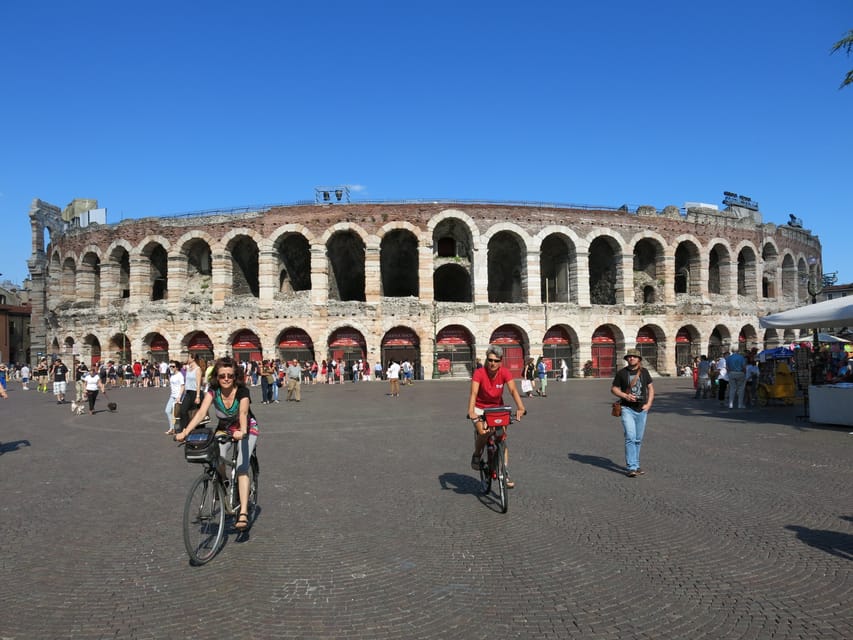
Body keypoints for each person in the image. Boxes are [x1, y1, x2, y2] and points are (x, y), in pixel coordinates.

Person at [176, 356, 259, 531]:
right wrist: (185, 431)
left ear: (235, 376)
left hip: (246, 429)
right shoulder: (213, 391)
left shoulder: (242, 392)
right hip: (224, 428)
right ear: (217, 377)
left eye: (230, 375)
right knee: (216, 458)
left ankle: (243, 512)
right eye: (222, 376)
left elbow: (243, 413)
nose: (226, 379)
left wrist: (242, 432)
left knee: (242, 466)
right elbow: (201, 413)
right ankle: (225, 481)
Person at [467, 345, 525, 489]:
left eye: (496, 361)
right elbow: (473, 393)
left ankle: (504, 472)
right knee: (483, 432)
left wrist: (521, 407)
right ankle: (476, 454)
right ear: (487, 360)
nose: (492, 363)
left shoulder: (504, 372)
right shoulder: (479, 373)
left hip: (497, 408)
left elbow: (512, 389)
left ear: (501, 362)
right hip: (480, 407)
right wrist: (471, 410)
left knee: (502, 437)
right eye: (490, 360)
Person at [611, 348, 655, 478]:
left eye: (634, 357)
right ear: (627, 359)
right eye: (629, 357)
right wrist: (625, 395)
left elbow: (651, 388)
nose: (631, 358)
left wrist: (649, 404)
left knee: (638, 439)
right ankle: (631, 467)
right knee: (630, 437)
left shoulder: (644, 372)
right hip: (627, 409)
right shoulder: (621, 373)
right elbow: (613, 388)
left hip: (641, 409)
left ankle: (636, 465)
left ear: (639, 359)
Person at [179, 354, 203, 435]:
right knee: (182, 411)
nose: (187, 358)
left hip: (195, 393)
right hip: (188, 392)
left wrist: (198, 396)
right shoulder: (188, 368)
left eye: (188, 357)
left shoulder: (198, 369)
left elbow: (198, 384)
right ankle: (185, 430)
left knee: (197, 413)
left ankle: (199, 431)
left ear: (193, 359)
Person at [164, 361, 185, 435]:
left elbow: (182, 386)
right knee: (167, 410)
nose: (171, 368)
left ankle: (180, 429)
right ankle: (172, 428)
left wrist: (179, 396)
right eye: (170, 366)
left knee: (178, 414)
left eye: (173, 366)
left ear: (177, 367)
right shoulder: (172, 375)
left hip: (178, 397)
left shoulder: (180, 375)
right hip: (172, 396)